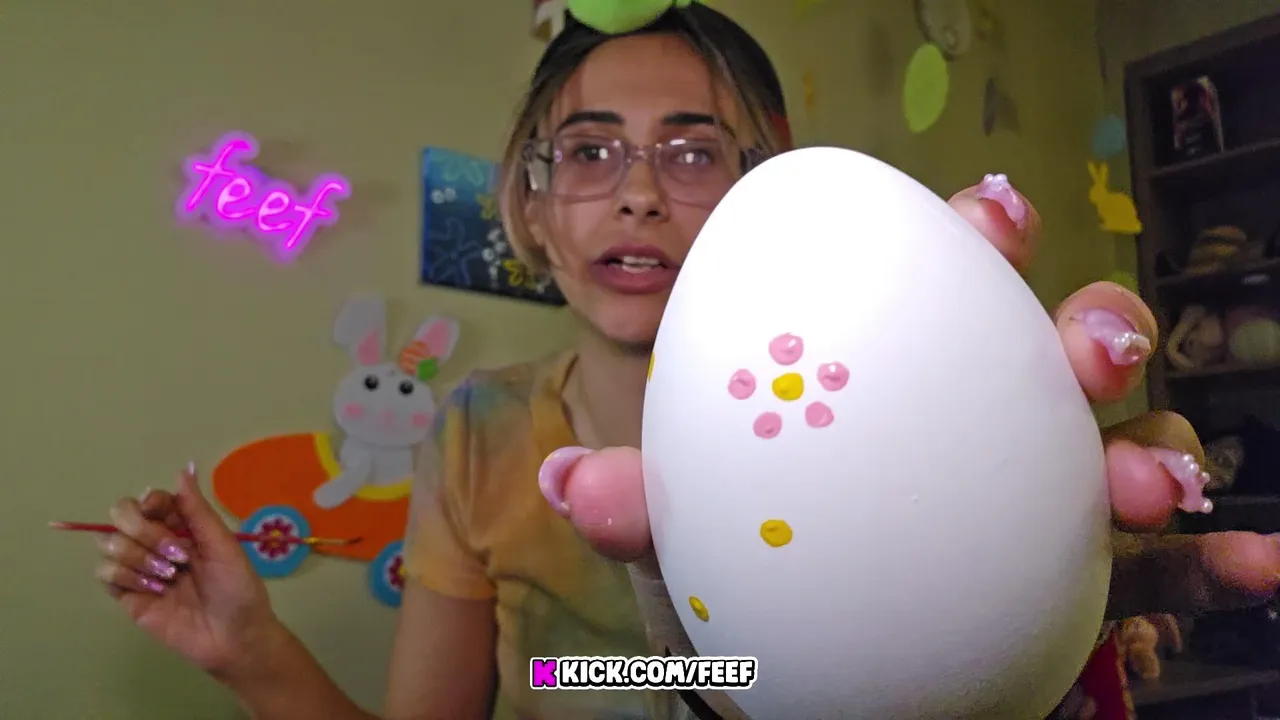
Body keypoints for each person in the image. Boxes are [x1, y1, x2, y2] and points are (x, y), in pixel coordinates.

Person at [93, 5, 1280, 720]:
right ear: (531, 205)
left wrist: (1029, 603)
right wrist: (250, 649)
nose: (640, 194)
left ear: (767, 178)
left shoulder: (900, 422)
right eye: (589, 151)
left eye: (694, 150)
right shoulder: (477, 433)